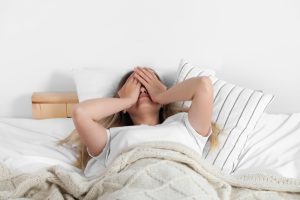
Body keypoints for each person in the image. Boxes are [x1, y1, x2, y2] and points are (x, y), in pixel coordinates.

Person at [59, 66, 218, 177]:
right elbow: (80, 113)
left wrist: (161, 95)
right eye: (136, 87)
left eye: (148, 86)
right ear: (124, 106)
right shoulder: (111, 137)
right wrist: (126, 100)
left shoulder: (185, 125)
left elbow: (203, 85)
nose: (142, 90)